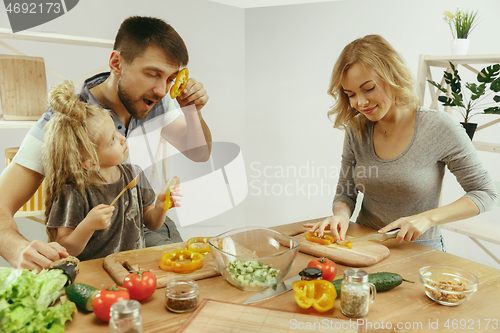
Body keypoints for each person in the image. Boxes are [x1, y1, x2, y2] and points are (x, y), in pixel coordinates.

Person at [0, 16, 211, 270]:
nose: (162, 90)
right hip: (100, 246)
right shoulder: (67, 121)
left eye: (169, 79)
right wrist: (17, 249)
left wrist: (192, 110)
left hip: (146, 228)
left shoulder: (156, 100)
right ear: (116, 63)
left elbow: (199, 153)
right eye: (152, 74)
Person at [304, 35, 497, 251]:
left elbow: (485, 193)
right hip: (365, 245)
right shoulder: (357, 129)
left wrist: (427, 218)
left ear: (393, 76)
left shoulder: (438, 127)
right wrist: (340, 215)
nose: (360, 102)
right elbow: (346, 192)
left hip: (421, 249)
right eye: (351, 94)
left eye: (368, 88)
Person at [42, 80, 183, 261]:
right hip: (97, 274)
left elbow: (152, 223)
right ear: (90, 163)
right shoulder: (73, 192)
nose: (122, 138)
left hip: (133, 267)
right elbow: (65, 248)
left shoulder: (134, 174)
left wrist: (161, 206)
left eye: (117, 132)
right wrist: (88, 226)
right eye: (112, 141)